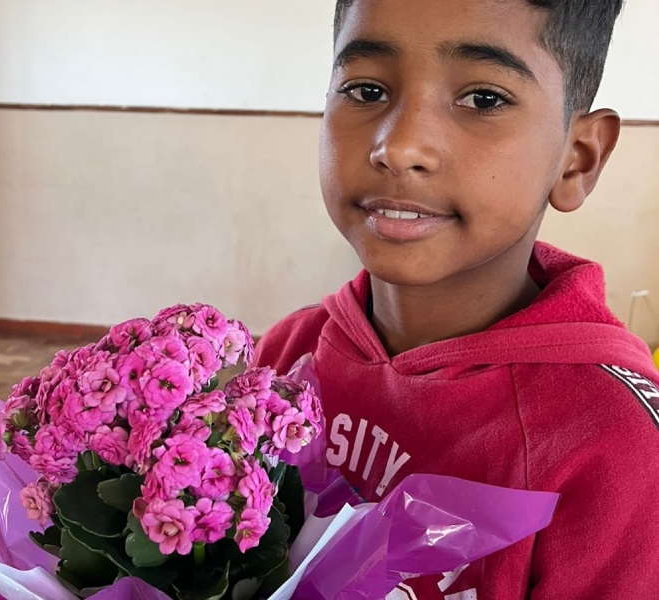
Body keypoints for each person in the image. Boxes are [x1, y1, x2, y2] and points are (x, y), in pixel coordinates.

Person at [252, 0, 659, 597]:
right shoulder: (289, 353)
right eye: (366, 90)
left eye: (484, 99)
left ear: (577, 158)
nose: (399, 147)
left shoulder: (617, 447)